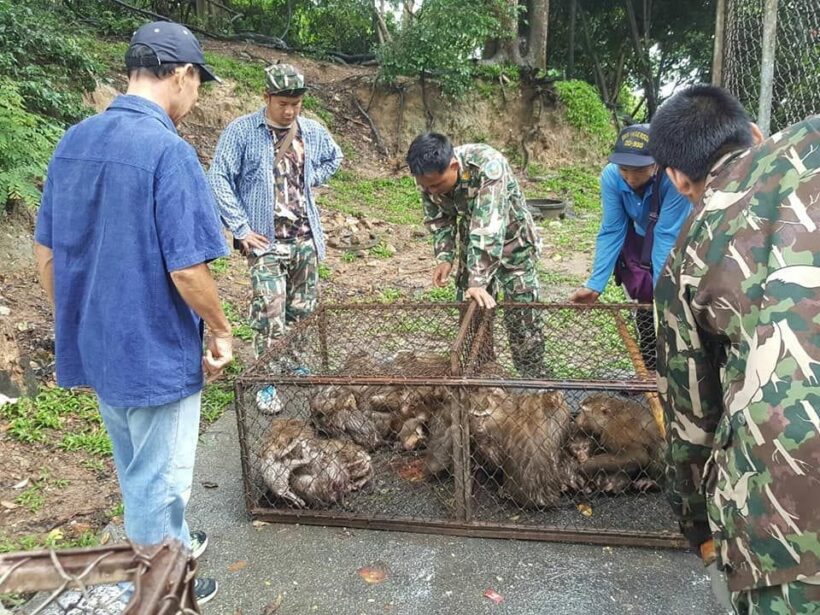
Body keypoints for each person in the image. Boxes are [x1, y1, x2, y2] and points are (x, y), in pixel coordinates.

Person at [33, 21, 232, 604]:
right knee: (158, 478)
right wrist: (220, 328)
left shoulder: (73, 140)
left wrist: (77, 318)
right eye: (199, 84)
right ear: (182, 75)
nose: (196, 98)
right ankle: (159, 590)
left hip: (99, 345)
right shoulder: (168, 152)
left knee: (135, 465)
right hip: (153, 353)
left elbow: (47, 251)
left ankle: (169, 549)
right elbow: (187, 271)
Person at [649, 85, 819, 614]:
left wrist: (697, 524)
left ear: (678, 178)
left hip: (786, 529)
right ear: (754, 134)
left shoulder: (689, 251)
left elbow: (693, 424)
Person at [209, 63, 342, 413]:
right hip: (265, 241)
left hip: (304, 237)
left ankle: (294, 363)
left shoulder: (310, 131)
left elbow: (335, 156)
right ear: (266, 96)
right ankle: (265, 379)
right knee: (269, 311)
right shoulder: (242, 131)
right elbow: (219, 177)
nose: (289, 111)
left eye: (296, 103)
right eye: (282, 103)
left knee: (302, 310)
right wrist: (239, 226)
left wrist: (310, 179)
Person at [406, 133, 543, 376]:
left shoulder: (488, 165)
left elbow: (488, 226)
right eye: (425, 186)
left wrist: (478, 280)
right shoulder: (429, 179)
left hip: (515, 247)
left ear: (454, 166)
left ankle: (534, 382)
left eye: (436, 185)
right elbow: (439, 218)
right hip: (474, 248)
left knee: (523, 319)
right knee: (472, 319)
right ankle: (482, 378)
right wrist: (444, 257)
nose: (430, 190)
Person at [569, 124, 691, 369]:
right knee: (644, 300)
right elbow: (613, 228)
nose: (631, 178)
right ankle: (650, 369)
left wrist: (663, 294)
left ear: (656, 163)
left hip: (677, 239)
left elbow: (666, 236)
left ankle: (679, 368)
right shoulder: (611, 176)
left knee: (677, 303)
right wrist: (595, 284)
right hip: (638, 240)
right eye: (625, 169)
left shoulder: (674, 177)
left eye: (638, 170)